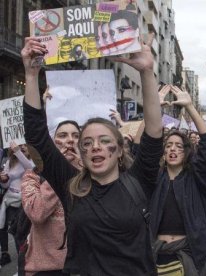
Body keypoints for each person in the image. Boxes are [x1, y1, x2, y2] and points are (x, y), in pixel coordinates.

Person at [22, 34, 163, 275]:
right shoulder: (71, 186)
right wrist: (32, 74)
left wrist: (147, 73)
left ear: (119, 150)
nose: (95, 147)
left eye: (104, 141)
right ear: (81, 153)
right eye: (86, 143)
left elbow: (153, 132)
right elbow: (37, 137)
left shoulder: (139, 181)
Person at [151, 85, 206, 276]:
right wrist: (153, 107)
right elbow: (142, 149)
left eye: (178, 146)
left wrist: (189, 106)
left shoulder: (196, 178)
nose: (172, 149)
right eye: (168, 145)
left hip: (189, 253)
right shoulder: (154, 178)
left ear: (186, 152)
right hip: (157, 254)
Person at [20, 120, 81, 275]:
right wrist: (58, 169)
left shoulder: (91, 177)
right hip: (46, 269)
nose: (70, 140)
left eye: (76, 136)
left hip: (83, 267)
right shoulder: (32, 177)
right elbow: (37, 213)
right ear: (52, 144)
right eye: (63, 135)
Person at [0, 141, 35, 266]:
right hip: (11, 202)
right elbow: (6, 184)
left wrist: (18, 152)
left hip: (26, 201)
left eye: (25, 145)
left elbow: (30, 168)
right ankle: (22, 264)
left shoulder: (32, 160)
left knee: (29, 234)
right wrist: (3, 179)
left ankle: (32, 261)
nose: (23, 147)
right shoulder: (11, 161)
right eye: (21, 145)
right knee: (16, 233)